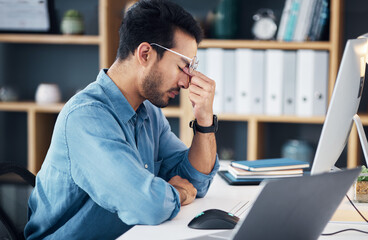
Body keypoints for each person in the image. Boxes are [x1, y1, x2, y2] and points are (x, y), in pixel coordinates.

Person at [24, 0, 219, 239]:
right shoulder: (86, 117)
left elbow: (195, 183)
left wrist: (204, 120)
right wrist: (176, 193)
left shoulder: (150, 113)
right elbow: (147, 205)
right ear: (145, 53)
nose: (187, 82)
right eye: (183, 67)